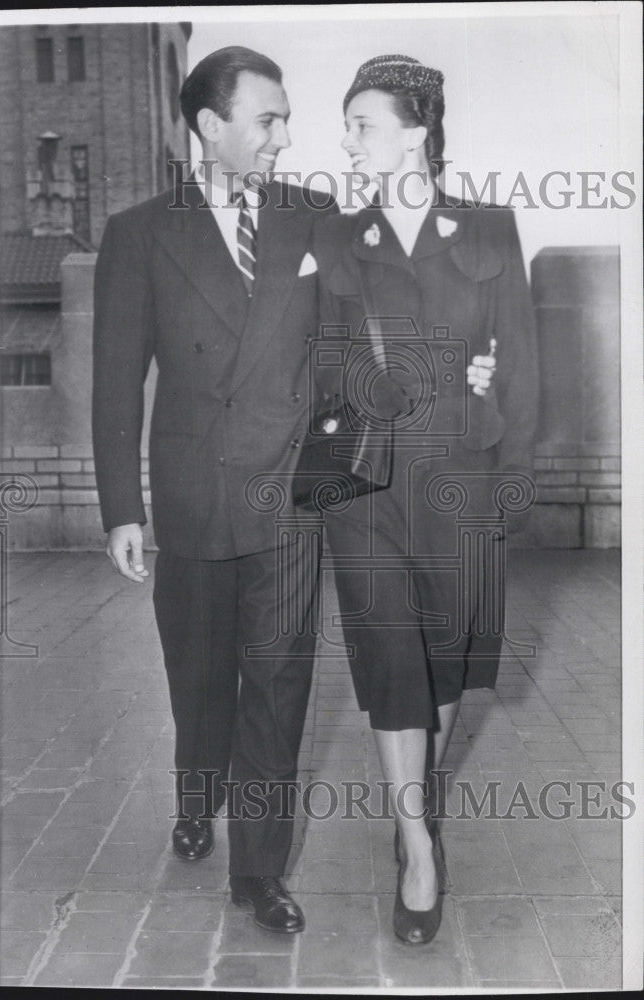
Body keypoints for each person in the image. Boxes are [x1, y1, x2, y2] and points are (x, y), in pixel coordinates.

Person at [92, 46, 337, 934]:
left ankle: (258, 875)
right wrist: (124, 508)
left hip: (287, 500)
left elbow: (343, 355)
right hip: (194, 498)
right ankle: (196, 795)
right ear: (210, 125)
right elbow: (119, 380)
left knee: (278, 684)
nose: (282, 136)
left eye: (282, 119)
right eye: (266, 119)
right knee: (199, 681)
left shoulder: (315, 216)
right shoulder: (140, 231)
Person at [311, 54, 538, 944]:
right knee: (391, 662)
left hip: (463, 483)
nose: (349, 141)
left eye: (362, 124)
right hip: (364, 487)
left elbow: (518, 361)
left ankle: (417, 804)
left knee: (446, 661)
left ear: (415, 132)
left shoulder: (489, 229)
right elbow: (323, 358)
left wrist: (511, 482)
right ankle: (417, 849)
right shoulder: (336, 237)